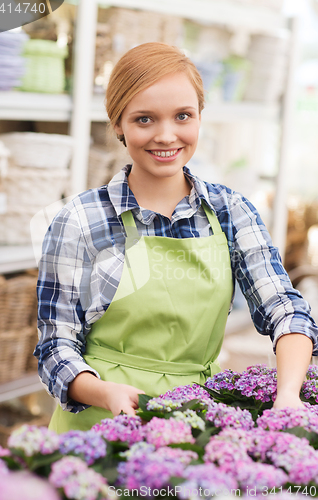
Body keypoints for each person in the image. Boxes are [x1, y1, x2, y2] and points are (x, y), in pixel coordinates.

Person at [35, 42, 318, 433]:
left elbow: (287, 310)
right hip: (97, 428)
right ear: (118, 124)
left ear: (200, 116)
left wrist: (288, 394)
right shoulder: (80, 220)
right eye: (145, 120)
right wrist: (105, 394)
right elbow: (55, 347)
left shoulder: (231, 212)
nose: (167, 136)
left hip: (194, 425)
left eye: (183, 116)